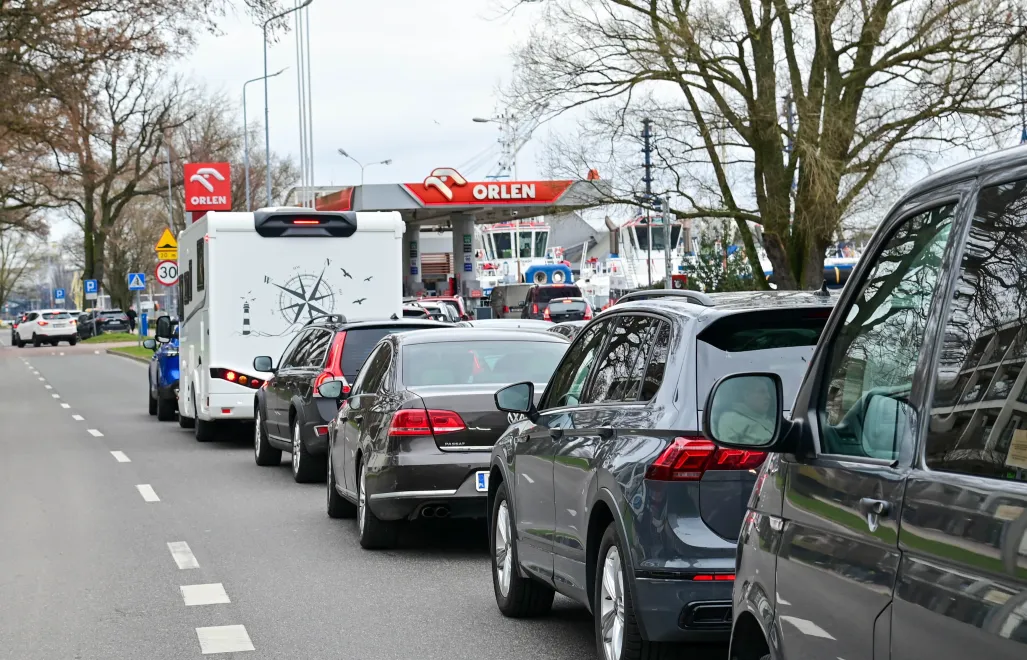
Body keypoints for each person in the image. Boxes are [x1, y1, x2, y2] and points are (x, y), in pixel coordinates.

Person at [715, 377, 776, 444]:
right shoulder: (731, 419)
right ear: (746, 395)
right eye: (762, 392)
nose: (768, 397)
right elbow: (728, 448)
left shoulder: (772, 418)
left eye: (768, 392)